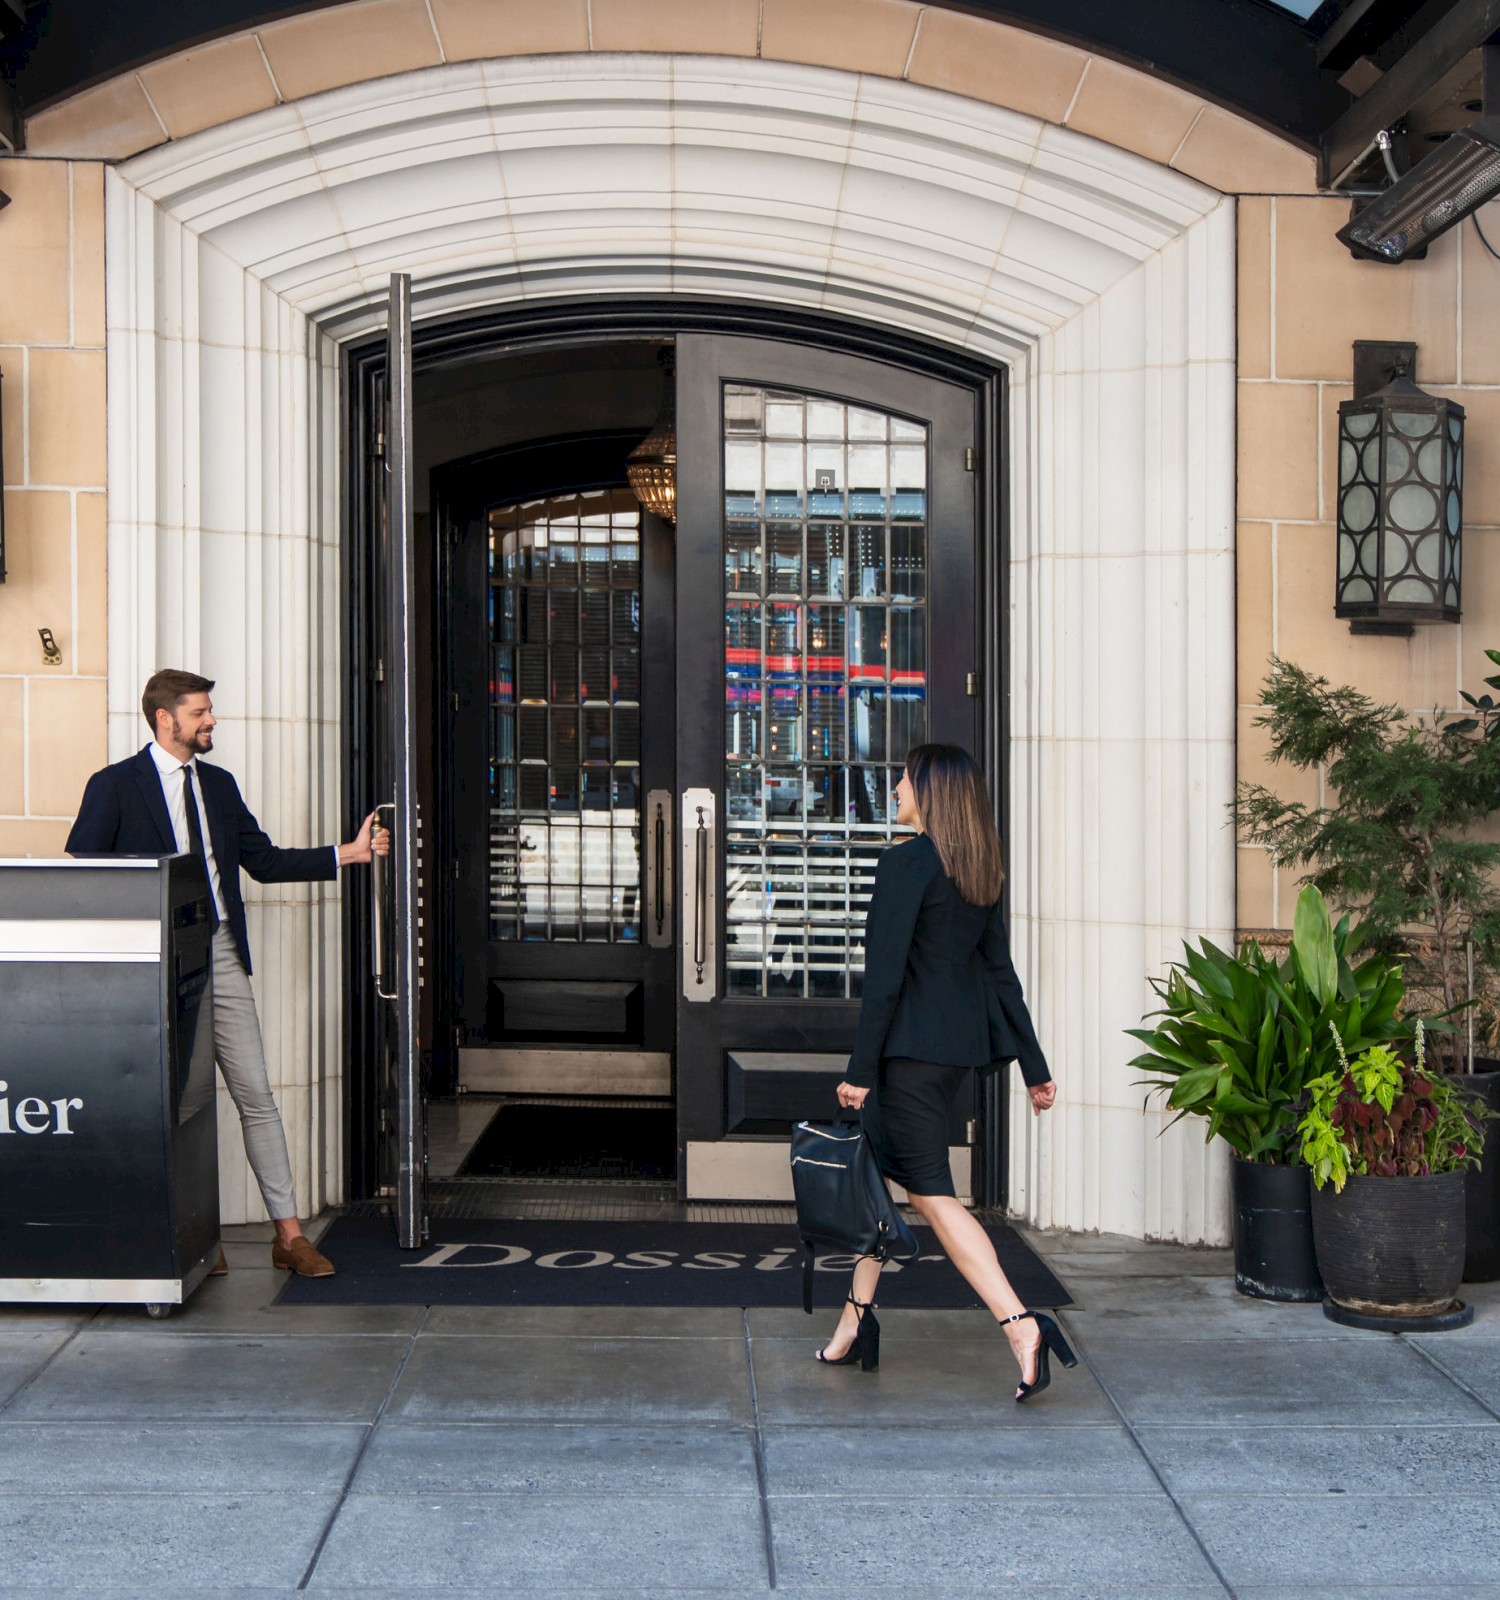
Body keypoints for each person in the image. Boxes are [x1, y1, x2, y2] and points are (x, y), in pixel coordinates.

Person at [65, 669, 389, 1278]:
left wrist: (349, 853)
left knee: (255, 1094)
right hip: (155, 965)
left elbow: (262, 861)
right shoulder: (113, 786)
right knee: (169, 1104)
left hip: (220, 954)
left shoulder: (218, 784)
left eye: (209, 712)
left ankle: (290, 1237)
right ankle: (188, 1240)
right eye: (200, 713)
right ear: (166, 718)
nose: (211, 721)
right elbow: (85, 873)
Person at [822, 742, 1075, 1402]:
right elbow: (1000, 974)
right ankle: (855, 1323)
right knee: (877, 1185)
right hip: (949, 1055)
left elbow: (883, 982)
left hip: (906, 1059)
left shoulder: (906, 865)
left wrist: (859, 1071)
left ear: (929, 791)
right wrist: (1034, 1066)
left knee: (932, 1196)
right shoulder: (979, 868)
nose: (897, 787)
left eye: (904, 778)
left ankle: (1021, 1325)